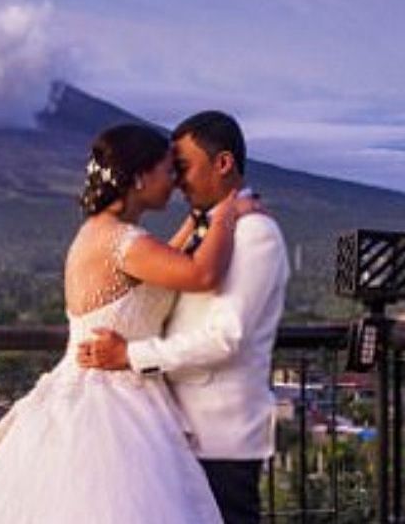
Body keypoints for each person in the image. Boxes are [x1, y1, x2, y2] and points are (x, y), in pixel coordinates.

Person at [0, 122, 262, 524]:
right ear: (140, 178)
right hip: (114, 404)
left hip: (101, 388)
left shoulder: (107, 235)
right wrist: (227, 215)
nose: (175, 181)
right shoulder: (125, 243)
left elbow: (164, 265)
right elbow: (201, 274)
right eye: (167, 170)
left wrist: (198, 220)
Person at [77, 111, 291, 524]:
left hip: (219, 437)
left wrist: (130, 356)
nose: (176, 182)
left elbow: (226, 338)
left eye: (184, 168)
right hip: (176, 432)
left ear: (223, 163)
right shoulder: (209, 228)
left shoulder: (255, 235)